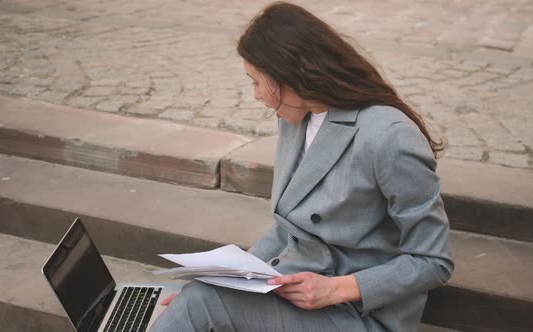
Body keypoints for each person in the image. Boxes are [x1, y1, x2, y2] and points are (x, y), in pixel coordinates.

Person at [151, 2, 453, 331]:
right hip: (301, 291)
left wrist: (335, 289)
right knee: (201, 295)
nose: (254, 95)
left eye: (255, 81)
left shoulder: (388, 136)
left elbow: (433, 262)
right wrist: (229, 280)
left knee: (203, 303)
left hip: (360, 313)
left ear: (286, 76)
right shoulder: (297, 118)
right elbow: (288, 230)